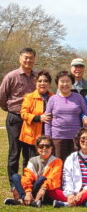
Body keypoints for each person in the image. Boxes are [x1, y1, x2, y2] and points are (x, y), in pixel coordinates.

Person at [0, 47, 36, 192]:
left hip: (31, 120)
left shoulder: (36, 77)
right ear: (20, 59)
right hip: (15, 118)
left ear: (34, 59)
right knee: (15, 153)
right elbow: (2, 97)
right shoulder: (11, 76)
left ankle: (27, 184)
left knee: (29, 153)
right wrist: (11, 110)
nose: (28, 60)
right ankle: (14, 185)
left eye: (31, 58)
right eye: (25, 57)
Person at [4, 136, 63, 207]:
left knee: (42, 179)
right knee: (15, 177)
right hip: (33, 187)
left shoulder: (57, 161)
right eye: (41, 146)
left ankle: (22, 201)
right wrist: (28, 192)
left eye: (47, 146)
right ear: (37, 148)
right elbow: (27, 177)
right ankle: (26, 199)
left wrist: (43, 188)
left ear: (51, 148)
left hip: (46, 190)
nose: (44, 148)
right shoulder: (32, 160)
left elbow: (53, 179)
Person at [45, 71, 87, 161]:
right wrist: (48, 137)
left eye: (68, 81)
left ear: (72, 83)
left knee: (75, 163)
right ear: (57, 83)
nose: (65, 84)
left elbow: (85, 114)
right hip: (57, 137)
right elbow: (47, 119)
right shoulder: (52, 99)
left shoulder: (78, 97)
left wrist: (85, 119)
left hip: (75, 137)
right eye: (62, 81)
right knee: (59, 163)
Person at [51, 128, 87, 208]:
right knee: (52, 190)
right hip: (73, 191)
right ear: (78, 140)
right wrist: (70, 194)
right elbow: (67, 178)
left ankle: (67, 204)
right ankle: (83, 202)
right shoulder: (71, 158)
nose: (86, 141)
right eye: (83, 139)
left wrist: (82, 192)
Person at [19, 70, 53, 168]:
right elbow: (23, 113)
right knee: (30, 162)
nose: (42, 83)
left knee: (45, 162)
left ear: (49, 83)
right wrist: (38, 118)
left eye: (45, 81)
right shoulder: (29, 97)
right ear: (36, 82)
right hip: (30, 137)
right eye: (40, 81)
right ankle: (27, 182)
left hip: (46, 136)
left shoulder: (53, 98)